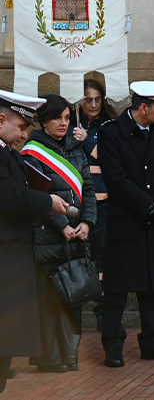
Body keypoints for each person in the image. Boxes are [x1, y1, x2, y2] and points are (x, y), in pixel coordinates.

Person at [97, 81, 154, 368]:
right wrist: (149, 206)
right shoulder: (111, 133)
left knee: (153, 285)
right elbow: (116, 179)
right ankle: (112, 344)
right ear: (143, 108)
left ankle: (152, 341)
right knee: (116, 290)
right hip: (128, 222)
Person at [0, 91, 68, 394]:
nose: (25, 135)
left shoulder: (9, 154)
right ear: (1, 119)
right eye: (22, 127)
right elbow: (9, 196)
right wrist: (47, 201)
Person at [23, 95, 97, 372]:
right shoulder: (32, 151)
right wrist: (61, 225)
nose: (63, 123)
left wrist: (87, 222)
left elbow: (88, 189)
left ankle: (70, 356)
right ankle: (49, 359)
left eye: (67, 117)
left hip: (76, 235)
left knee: (73, 297)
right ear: (44, 120)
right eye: (58, 118)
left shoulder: (77, 149)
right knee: (50, 300)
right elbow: (34, 197)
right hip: (48, 236)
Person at [70, 79, 118, 331]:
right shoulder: (69, 122)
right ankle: (75, 306)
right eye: (87, 99)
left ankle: (102, 309)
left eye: (97, 99)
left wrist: (87, 140)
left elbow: (111, 158)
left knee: (101, 256)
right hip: (74, 203)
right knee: (78, 257)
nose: (92, 104)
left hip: (103, 200)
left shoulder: (110, 125)